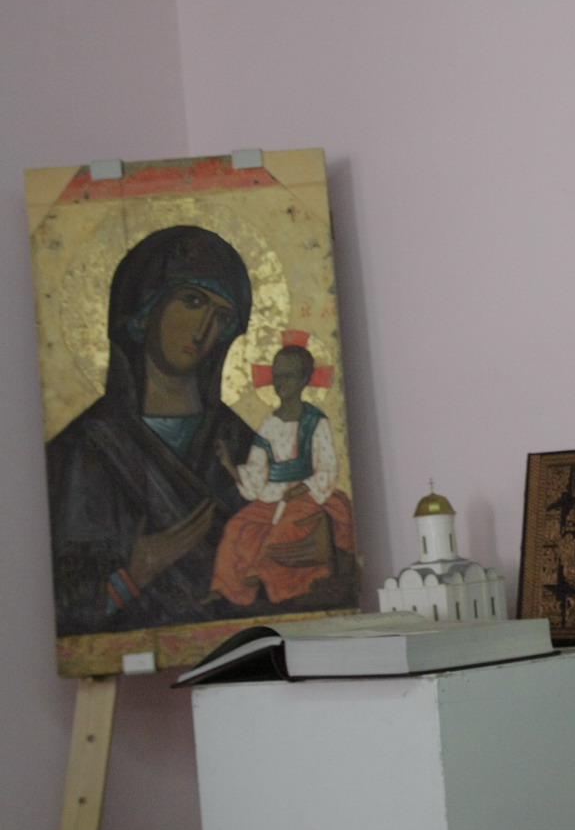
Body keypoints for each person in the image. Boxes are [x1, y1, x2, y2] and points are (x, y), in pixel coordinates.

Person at [45, 225, 259, 637]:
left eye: (222, 316)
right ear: (146, 310)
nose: (204, 330)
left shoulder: (245, 444)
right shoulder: (80, 449)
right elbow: (68, 606)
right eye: (192, 301)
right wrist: (135, 574)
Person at [208, 342, 355, 606]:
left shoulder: (315, 421)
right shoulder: (269, 423)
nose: (280, 383)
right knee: (237, 527)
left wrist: (302, 488)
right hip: (273, 495)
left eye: (288, 376)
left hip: (307, 495)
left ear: (304, 379)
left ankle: (264, 573)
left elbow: (328, 466)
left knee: (288, 526)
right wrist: (229, 465)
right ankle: (226, 588)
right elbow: (257, 471)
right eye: (277, 376)